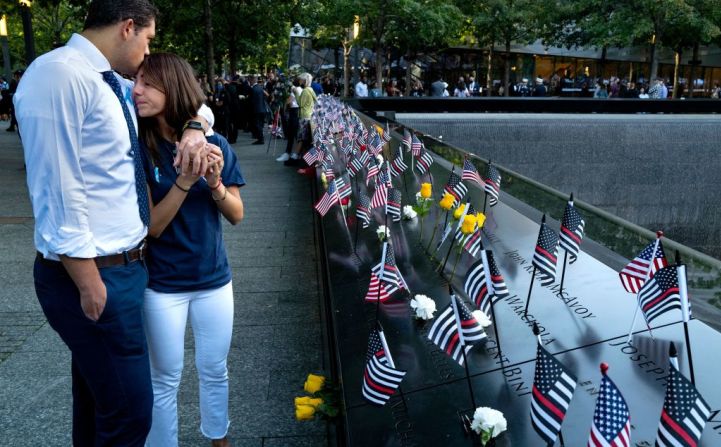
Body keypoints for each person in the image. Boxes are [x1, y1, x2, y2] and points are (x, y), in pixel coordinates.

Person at [14, 1, 212, 445]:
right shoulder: (59, 75)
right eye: (148, 40)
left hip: (121, 269)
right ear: (128, 28)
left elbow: (185, 100)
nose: (147, 52)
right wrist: (88, 281)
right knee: (128, 415)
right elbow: (57, 186)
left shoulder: (109, 82)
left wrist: (195, 126)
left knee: (99, 405)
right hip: (93, 272)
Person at [133, 52, 244, 447]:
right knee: (164, 378)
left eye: (147, 83)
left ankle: (219, 439)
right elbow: (153, 227)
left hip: (214, 279)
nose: (137, 90)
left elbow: (236, 214)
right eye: (137, 81)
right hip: (162, 285)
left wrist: (213, 182)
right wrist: (184, 180)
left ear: (173, 87)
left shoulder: (214, 144)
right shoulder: (140, 149)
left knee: (215, 369)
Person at [284, 72, 316, 166]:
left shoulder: (306, 91)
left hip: (304, 116)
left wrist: (296, 93)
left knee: (301, 138)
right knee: (302, 138)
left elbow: (300, 103)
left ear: (305, 81)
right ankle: (297, 157)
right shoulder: (310, 89)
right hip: (309, 115)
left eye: (301, 79)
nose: (300, 81)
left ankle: (295, 157)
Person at [276, 77, 300, 162]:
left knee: (291, 134)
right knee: (294, 134)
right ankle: (291, 152)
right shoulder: (299, 89)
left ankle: (289, 153)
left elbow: (289, 101)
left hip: (294, 112)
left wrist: (285, 104)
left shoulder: (295, 89)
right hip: (296, 112)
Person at [249, 75, 267, 144]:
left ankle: (260, 139)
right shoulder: (260, 88)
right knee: (260, 124)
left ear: (252, 80)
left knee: (257, 124)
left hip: (256, 109)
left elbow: (252, 101)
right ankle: (261, 137)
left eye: (250, 80)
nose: (249, 82)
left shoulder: (253, 89)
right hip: (262, 108)